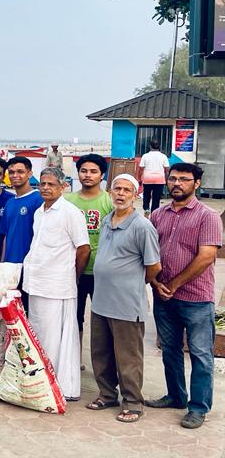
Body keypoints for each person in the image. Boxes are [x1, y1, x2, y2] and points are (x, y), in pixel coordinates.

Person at [145, 162, 221, 429]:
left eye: (184, 179)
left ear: (196, 184)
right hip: (163, 296)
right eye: (173, 178)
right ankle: (176, 396)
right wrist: (155, 283)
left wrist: (174, 284)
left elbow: (206, 256)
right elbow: (148, 252)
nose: (177, 183)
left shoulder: (207, 216)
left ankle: (198, 407)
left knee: (200, 354)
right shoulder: (158, 215)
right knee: (170, 349)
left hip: (196, 299)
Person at [86, 174, 161, 424]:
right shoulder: (107, 220)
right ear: (110, 192)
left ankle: (133, 403)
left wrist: (131, 283)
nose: (120, 194)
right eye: (117, 189)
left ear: (135, 195)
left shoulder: (142, 226)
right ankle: (107, 395)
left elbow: (153, 267)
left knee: (128, 357)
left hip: (126, 304)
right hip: (101, 301)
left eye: (126, 190)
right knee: (101, 353)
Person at [21, 167, 90, 401]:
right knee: (39, 335)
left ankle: (60, 386)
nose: (45, 188)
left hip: (57, 286)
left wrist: (72, 276)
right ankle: (40, 383)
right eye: (42, 183)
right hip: (36, 284)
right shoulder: (39, 212)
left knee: (56, 339)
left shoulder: (70, 213)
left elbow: (84, 248)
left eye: (51, 184)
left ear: (63, 187)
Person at [64, 153, 114, 347]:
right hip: (73, 270)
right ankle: (74, 356)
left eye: (93, 171)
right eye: (83, 171)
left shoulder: (109, 201)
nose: (88, 175)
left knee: (103, 318)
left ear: (102, 175)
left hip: (100, 271)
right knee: (74, 316)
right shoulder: (68, 201)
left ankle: (104, 359)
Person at [0, 156, 44, 311]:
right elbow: (6, 235)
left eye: (20, 171)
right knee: (13, 313)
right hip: (11, 268)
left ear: (29, 173)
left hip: (29, 268)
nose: (15, 175)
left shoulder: (38, 199)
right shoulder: (10, 202)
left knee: (29, 312)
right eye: (11, 172)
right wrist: (3, 264)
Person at [139, 137, 170, 215]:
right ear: (159, 146)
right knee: (156, 197)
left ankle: (146, 208)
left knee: (146, 195)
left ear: (150, 146)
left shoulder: (145, 156)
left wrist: (139, 178)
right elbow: (167, 170)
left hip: (147, 179)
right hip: (159, 180)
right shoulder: (163, 156)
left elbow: (141, 169)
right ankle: (154, 213)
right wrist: (167, 180)